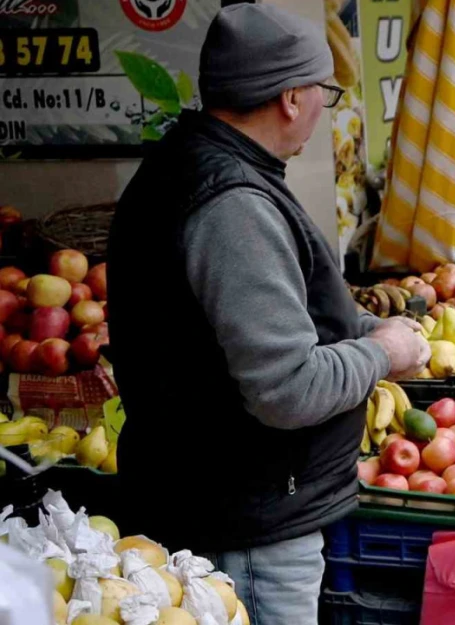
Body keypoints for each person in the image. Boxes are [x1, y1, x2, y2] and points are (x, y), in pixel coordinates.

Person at [108, 5, 430, 623]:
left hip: (228, 503)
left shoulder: (197, 166)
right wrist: (384, 354)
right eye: (325, 92)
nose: (323, 108)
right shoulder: (230, 203)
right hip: (246, 523)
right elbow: (285, 388)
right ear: (289, 97)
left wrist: (363, 330)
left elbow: (258, 324)